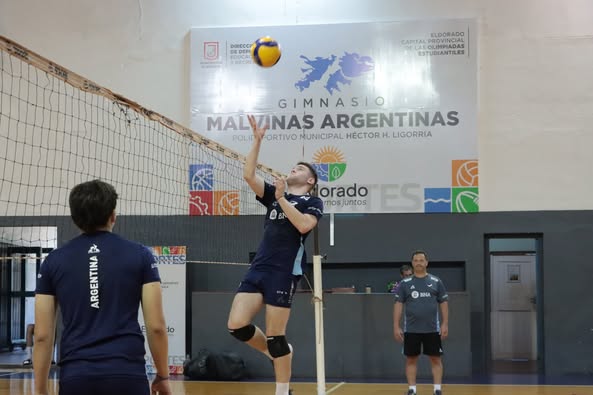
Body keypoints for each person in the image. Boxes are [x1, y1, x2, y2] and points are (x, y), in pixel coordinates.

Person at [33, 180, 172, 395]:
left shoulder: (53, 261)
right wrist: (163, 376)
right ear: (113, 215)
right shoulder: (141, 255)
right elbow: (156, 327)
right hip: (127, 375)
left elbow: (42, 336)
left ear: (74, 219)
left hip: (76, 377)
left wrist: (41, 390)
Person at [227, 114, 323, 395]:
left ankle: (282, 390)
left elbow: (304, 225)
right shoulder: (273, 194)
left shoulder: (312, 201)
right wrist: (256, 141)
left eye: (299, 168)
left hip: (284, 271)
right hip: (258, 268)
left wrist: (282, 198)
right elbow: (248, 174)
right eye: (293, 166)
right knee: (236, 325)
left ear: (310, 179)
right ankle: (276, 353)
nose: (293, 169)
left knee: (275, 336)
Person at [393, 251, 449, 395]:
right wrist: (396, 326)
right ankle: (412, 389)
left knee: (436, 359)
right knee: (411, 359)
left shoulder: (436, 282)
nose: (418, 262)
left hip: (432, 329)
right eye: (416, 260)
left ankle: (437, 389)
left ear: (426, 263)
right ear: (412, 263)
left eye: (421, 260)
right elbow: (398, 305)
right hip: (411, 329)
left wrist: (444, 324)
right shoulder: (405, 284)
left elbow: (443, 303)